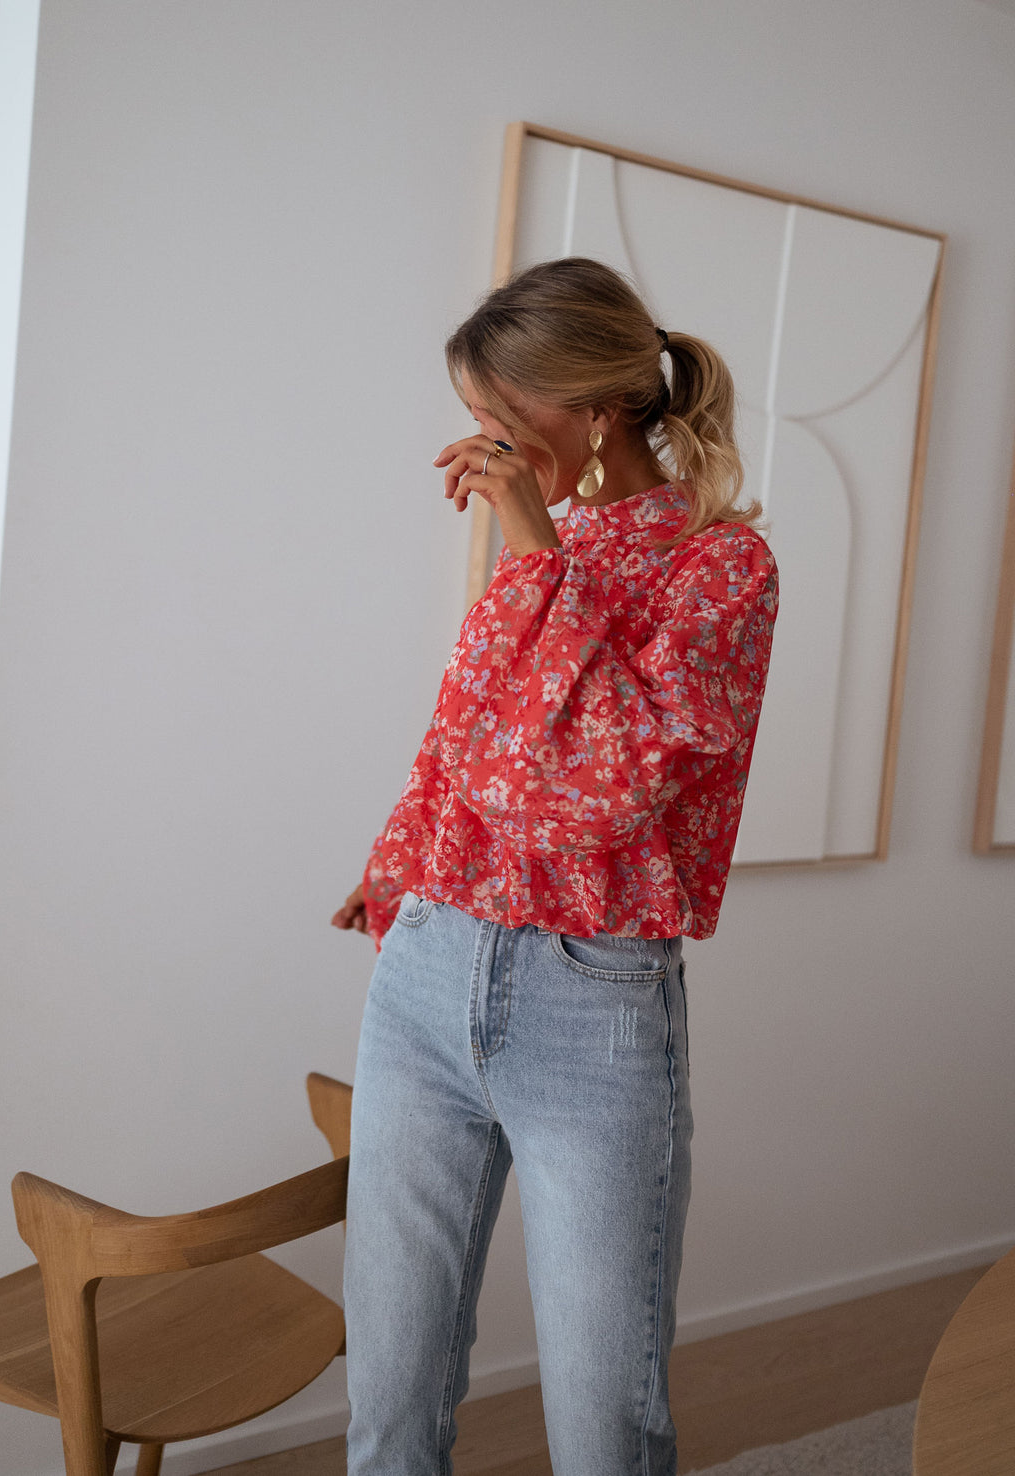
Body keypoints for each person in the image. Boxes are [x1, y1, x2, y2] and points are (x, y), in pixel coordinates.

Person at [331, 256, 778, 1475]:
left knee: (603, 1422)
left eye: (497, 419)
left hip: (592, 1010)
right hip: (427, 975)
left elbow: (607, 790)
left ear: (591, 412)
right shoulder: (547, 542)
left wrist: (538, 561)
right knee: (387, 1403)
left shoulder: (719, 568)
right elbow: (464, 734)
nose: (478, 446)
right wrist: (401, 861)